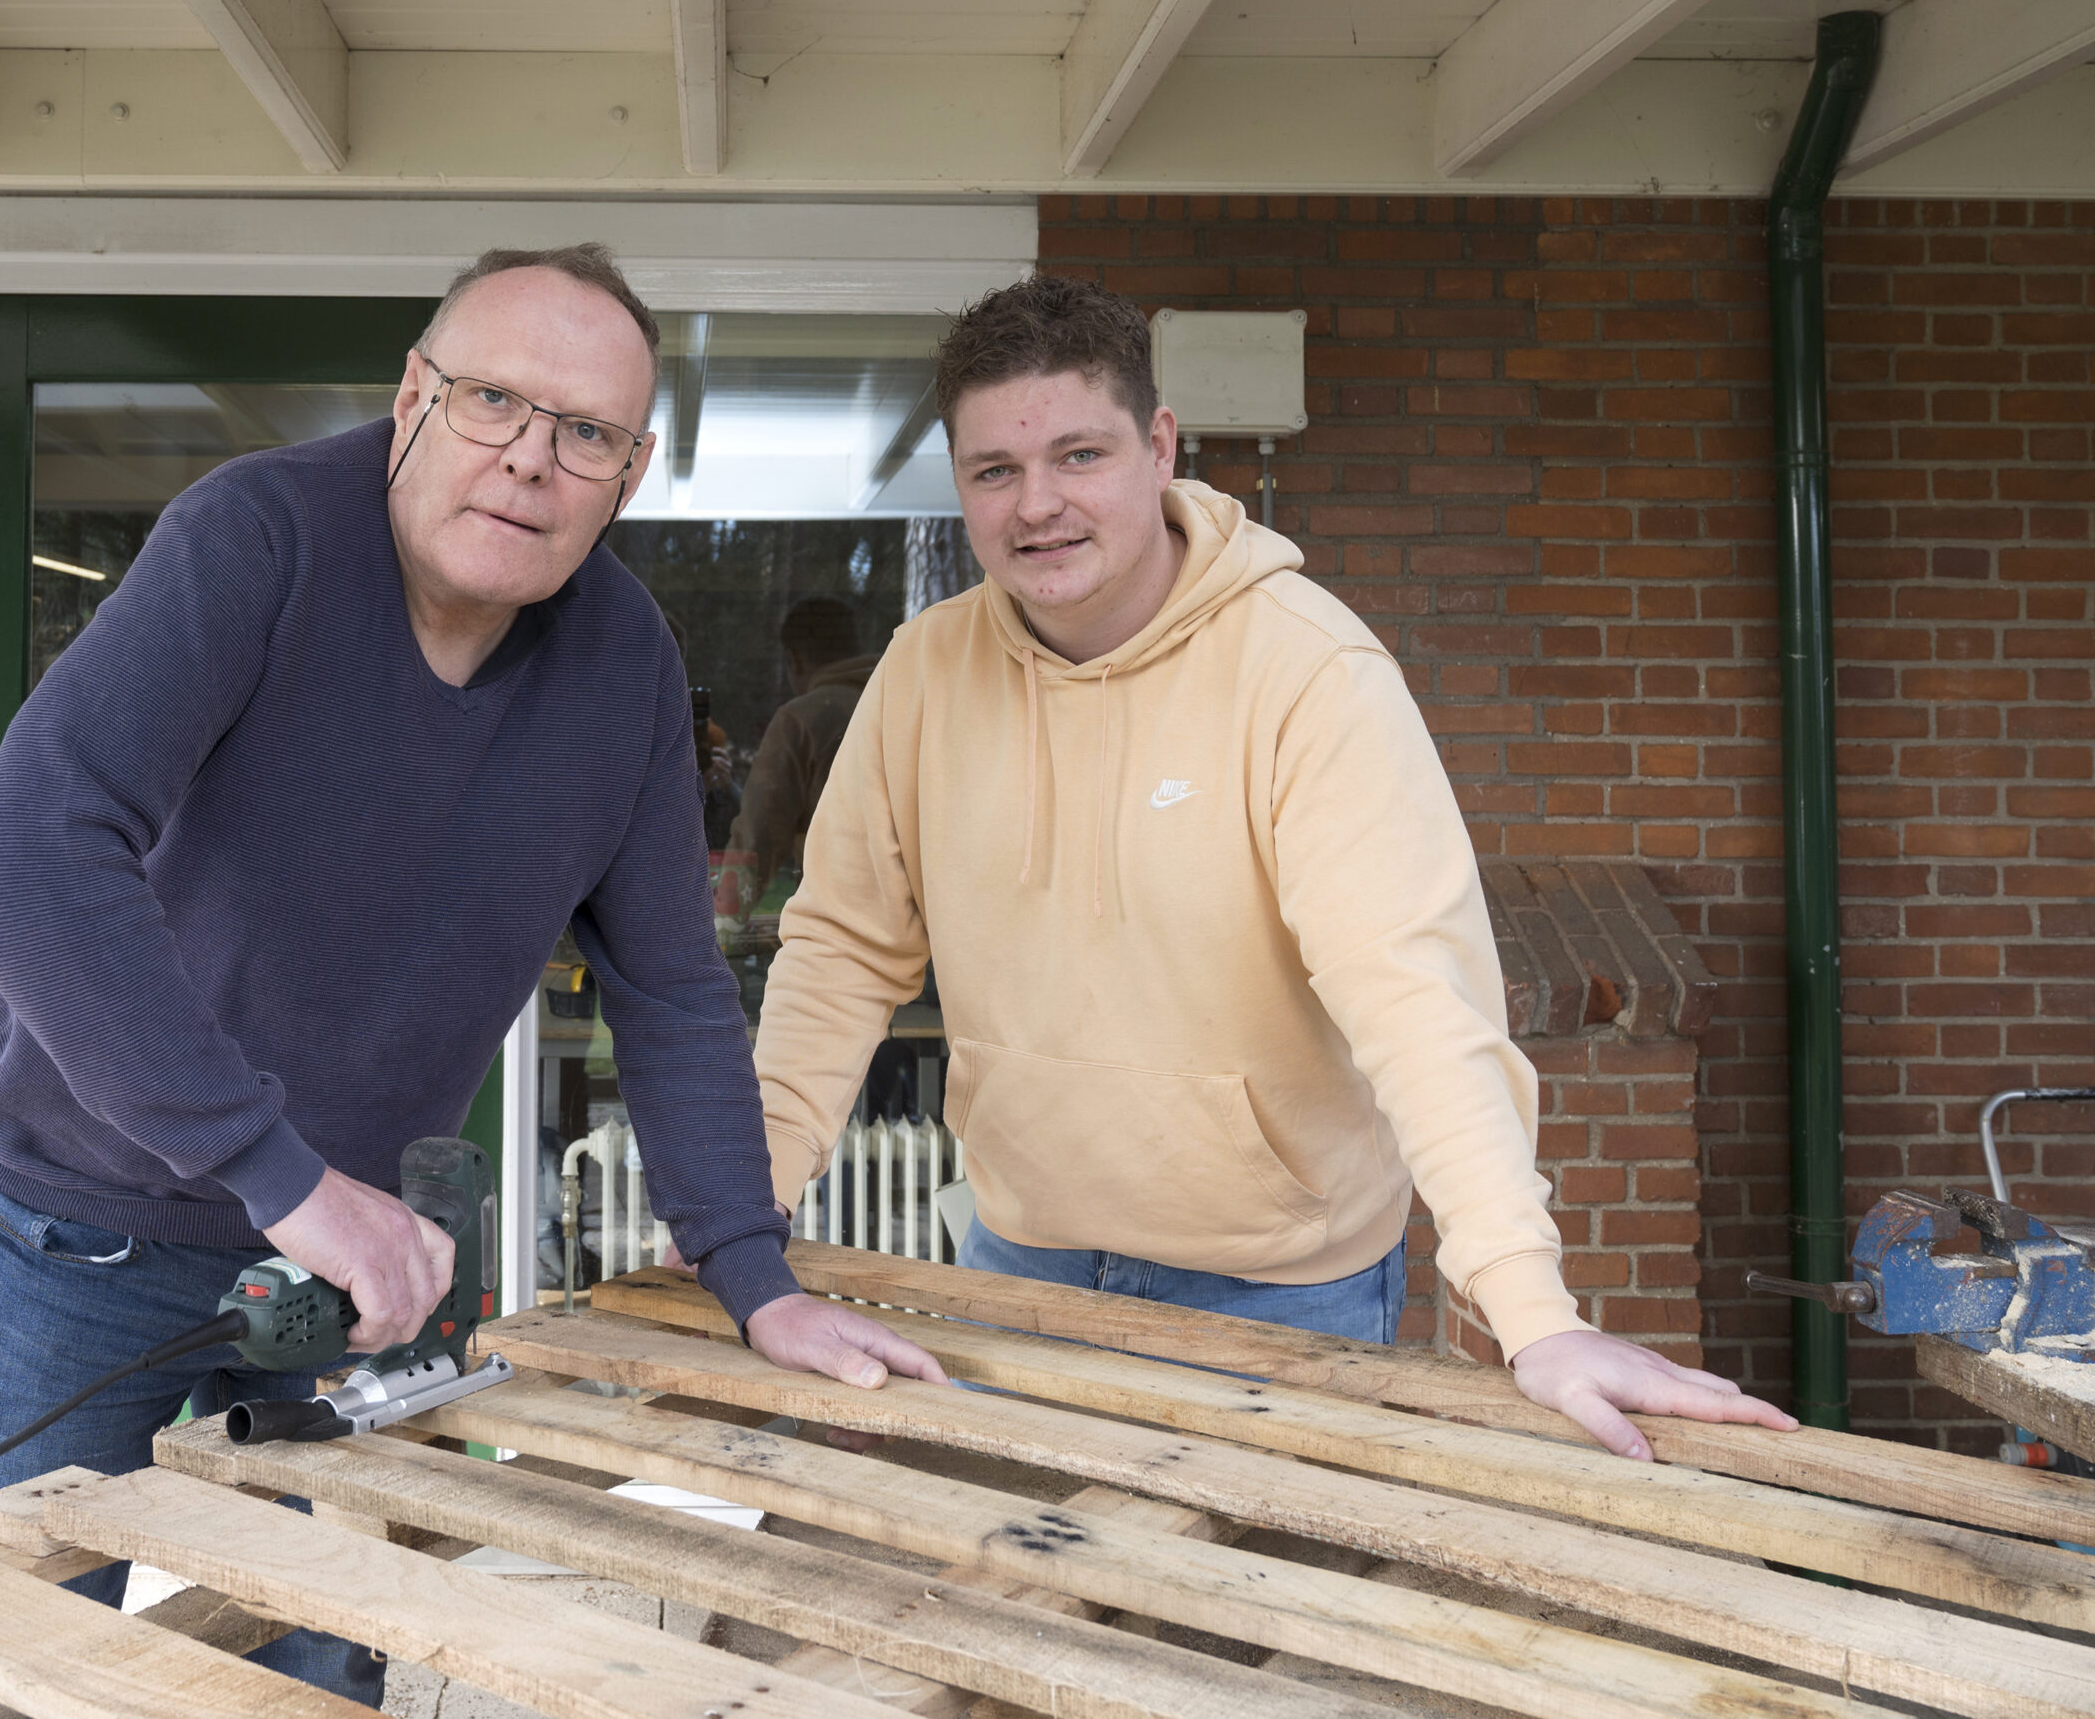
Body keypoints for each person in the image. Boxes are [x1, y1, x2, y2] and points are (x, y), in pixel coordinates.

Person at [0, 243, 941, 1702]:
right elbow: (20, 856)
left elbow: (666, 986)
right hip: (83, 1236)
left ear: (631, 471)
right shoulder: (254, 541)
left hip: (352, 1293)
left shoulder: (627, 669)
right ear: (413, 396)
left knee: (318, 1668)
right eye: (491, 402)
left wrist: (751, 1267)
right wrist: (280, 1172)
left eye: (585, 432)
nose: (531, 458)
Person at [749, 276, 1796, 1461]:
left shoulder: (1310, 673)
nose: (1036, 505)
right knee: (1020, 1618)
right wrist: (751, 1204)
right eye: (994, 470)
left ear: (1158, 446)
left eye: (1079, 455)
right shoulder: (922, 674)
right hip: (1017, 1263)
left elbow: (1415, 1001)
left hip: (1277, 1293)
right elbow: (838, 952)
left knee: (1244, 1645)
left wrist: (1531, 1312)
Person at [729, 596, 876, 910]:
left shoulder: (802, 721)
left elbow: (757, 840)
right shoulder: (906, 705)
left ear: (793, 660)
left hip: (836, 930)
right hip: (923, 936)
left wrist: (719, 926)